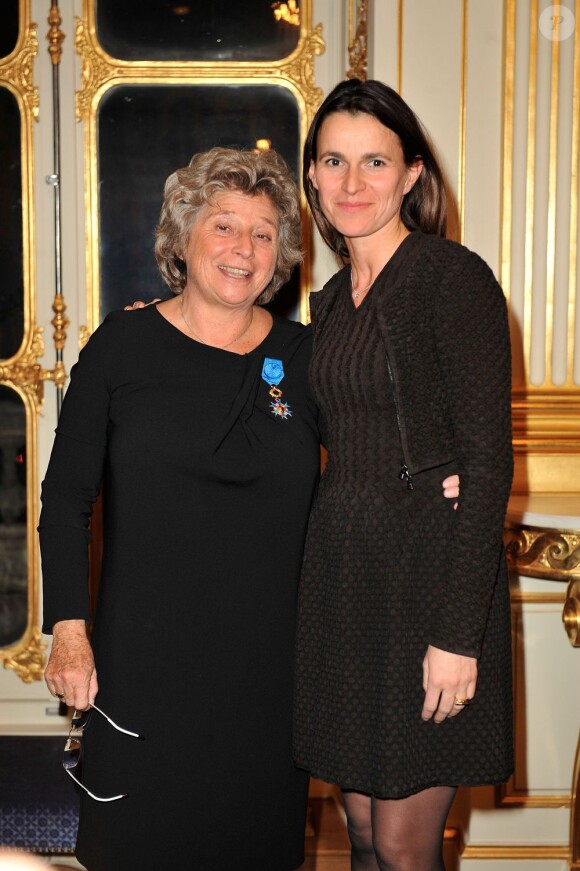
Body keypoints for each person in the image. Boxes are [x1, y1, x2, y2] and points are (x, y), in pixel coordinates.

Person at [39, 146, 322, 871]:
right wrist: (69, 630)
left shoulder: (309, 359)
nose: (243, 249)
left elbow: (378, 458)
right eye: (225, 226)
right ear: (183, 238)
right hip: (141, 673)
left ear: (281, 254)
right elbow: (65, 497)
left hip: (266, 681)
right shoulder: (122, 346)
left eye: (263, 234)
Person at [292, 79, 514, 871]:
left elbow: (488, 460)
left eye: (375, 161)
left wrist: (458, 634)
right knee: (355, 828)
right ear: (312, 175)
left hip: (427, 585)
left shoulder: (449, 277)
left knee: (399, 843)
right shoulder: (329, 302)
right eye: (334, 161)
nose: (352, 183)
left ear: (413, 174)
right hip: (347, 584)